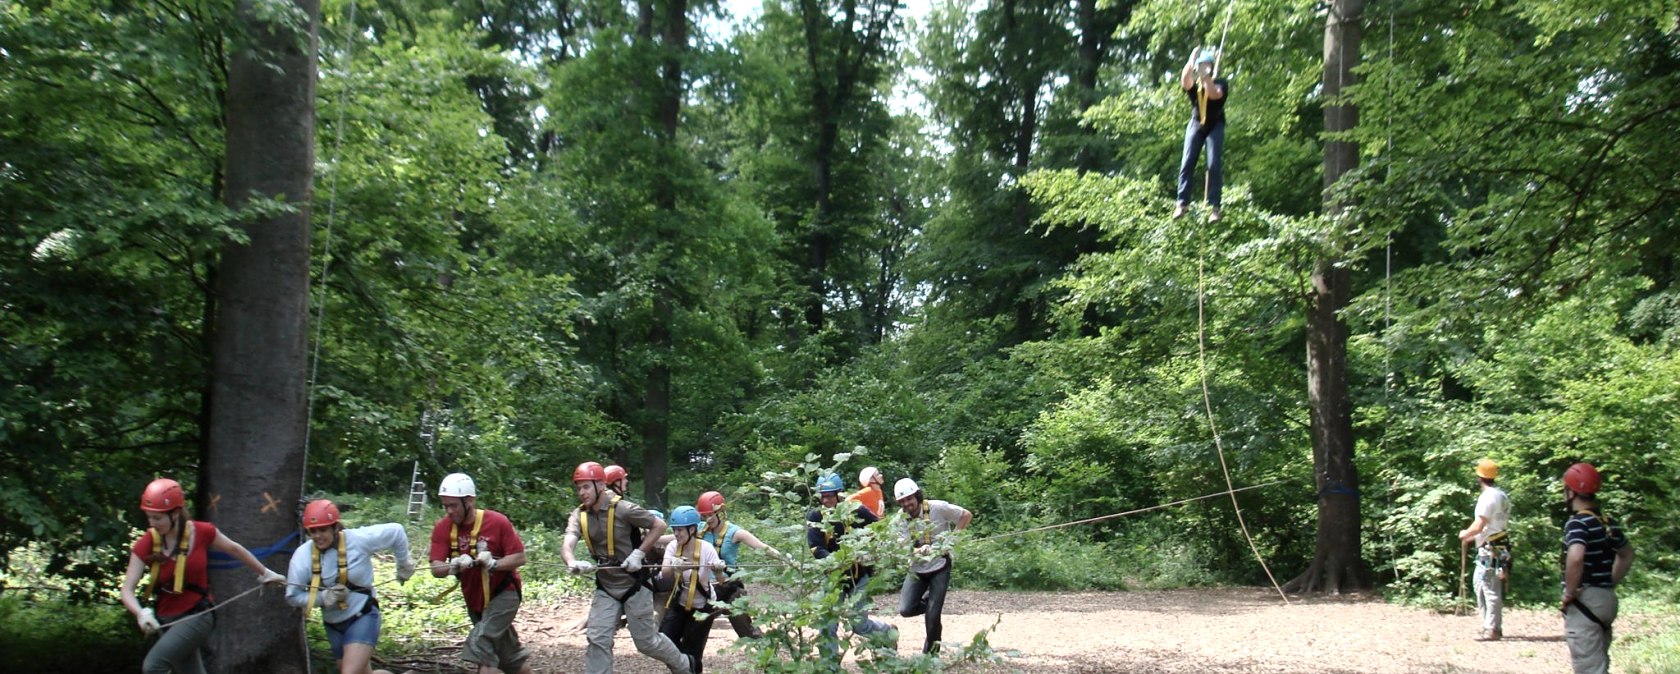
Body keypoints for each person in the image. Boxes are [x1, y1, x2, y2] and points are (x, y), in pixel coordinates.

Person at [119, 478, 287, 674]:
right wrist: (140, 613)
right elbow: (126, 590)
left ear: (175, 513)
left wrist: (265, 573)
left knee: (154, 665)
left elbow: (235, 549)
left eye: (157, 518)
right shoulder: (147, 543)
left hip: (197, 615)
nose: (152, 523)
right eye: (149, 517)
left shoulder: (202, 531)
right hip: (166, 619)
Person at [563, 461, 696, 674]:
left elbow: (658, 525)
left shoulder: (624, 509)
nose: (581, 492)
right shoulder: (579, 515)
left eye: (586, 486)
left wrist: (639, 553)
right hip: (606, 586)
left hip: (636, 584)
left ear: (600, 485)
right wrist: (571, 561)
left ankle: (684, 665)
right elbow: (568, 542)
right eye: (578, 487)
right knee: (597, 638)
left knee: (646, 642)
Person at [285, 499, 414, 674]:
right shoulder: (303, 556)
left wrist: (403, 564)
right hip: (333, 623)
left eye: (322, 529)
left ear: (335, 527)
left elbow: (396, 532)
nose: (317, 536)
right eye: (312, 531)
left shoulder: (358, 540)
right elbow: (292, 595)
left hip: (363, 615)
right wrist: (323, 598)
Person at [427, 473, 533, 674]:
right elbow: (435, 568)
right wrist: (453, 566)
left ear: (469, 501)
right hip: (475, 600)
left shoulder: (496, 521)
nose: (449, 511)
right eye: (445, 506)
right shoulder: (443, 528)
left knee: (481, 642)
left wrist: (494, 563)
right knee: (513, 662)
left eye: (453, 505)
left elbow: (519, 558)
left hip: (504, 594)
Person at [807, 473, 895, 665]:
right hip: (833, 576)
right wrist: (834, 561)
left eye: (830, 495)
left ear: (839, 494)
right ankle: (829, 664)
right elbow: (815, 547)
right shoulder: (815, 516)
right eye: (823, 496)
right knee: (828, 622)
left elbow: (880, 527)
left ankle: (887, 632)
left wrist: (868, 549)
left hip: (859, 574)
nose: (826, 500)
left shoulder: (856, 510)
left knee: (859, 625)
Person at [1560, 462, 1634, 674]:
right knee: (1599, 663)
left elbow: (1575, 557)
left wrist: (1569, 593)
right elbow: (1627, 554)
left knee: (1588, 668)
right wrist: (1610, 581)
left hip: (1585, 601)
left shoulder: (1578, 523)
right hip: (1607, 599)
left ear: (1571, 492)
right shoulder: (1608, 523)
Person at [893, 477, 972, 654]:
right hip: (917, 568)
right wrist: (918, 551)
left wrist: (952, 539)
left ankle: (930, 655)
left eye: (909, 499)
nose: (907, 504)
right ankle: (931, 602)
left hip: (940, 564)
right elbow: (902, 547)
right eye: (902, 501)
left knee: (933, 616)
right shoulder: (900, 519)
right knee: (906, 609)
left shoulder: (938, 507)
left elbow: (965, 515)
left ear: (917, 496)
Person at [697, 490, 787, 639]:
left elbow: (762, 547)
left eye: (710, 515)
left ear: (720, 512)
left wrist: (785, 560)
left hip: (729, 587)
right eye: (704, 516)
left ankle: (765, 656)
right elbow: (675, 537)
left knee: (747, 631)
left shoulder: (735, 532)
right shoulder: (699, 530)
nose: (708, 519)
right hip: (706, 588)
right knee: (694, 628)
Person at [659, 506, 725, 673]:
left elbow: (721, 582)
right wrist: (675, 565)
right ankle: (686, 664)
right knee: (663, 641)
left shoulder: (706, 549)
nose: (676, 534)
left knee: (693, 651)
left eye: (680, 530)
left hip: (702, 608)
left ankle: (691, 666)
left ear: (692, 529)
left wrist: (718, 571)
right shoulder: (673, 547)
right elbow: (665, 572)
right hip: (680, 605)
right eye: (674, 530)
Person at [1457, 458, 1511, 641]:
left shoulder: (1487, 497)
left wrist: (1466, 534)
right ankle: (1490, 625)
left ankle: (1493, 629)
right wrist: (1472, 538)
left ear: (1479, 477)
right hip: (1498, 544)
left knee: (1488, 587)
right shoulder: (1502, 496)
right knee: (1481, 585)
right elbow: (1492, 526)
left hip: (1490, 548)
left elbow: (1480, 524)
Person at [1173, 48, 1229, 223]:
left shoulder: (1220, 83)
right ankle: (1182, 203)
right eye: (1202, 66)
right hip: (1197, 124)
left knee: (1213, 163)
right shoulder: (1195, 86)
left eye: (1207, 66)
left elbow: (1214, 94)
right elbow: (1185, 81)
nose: (1204, 68)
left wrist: (1206, 77)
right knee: (1187, 162)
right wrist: (1191, 62)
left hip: (1215, 125)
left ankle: (1215, 207)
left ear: (1212, 67)